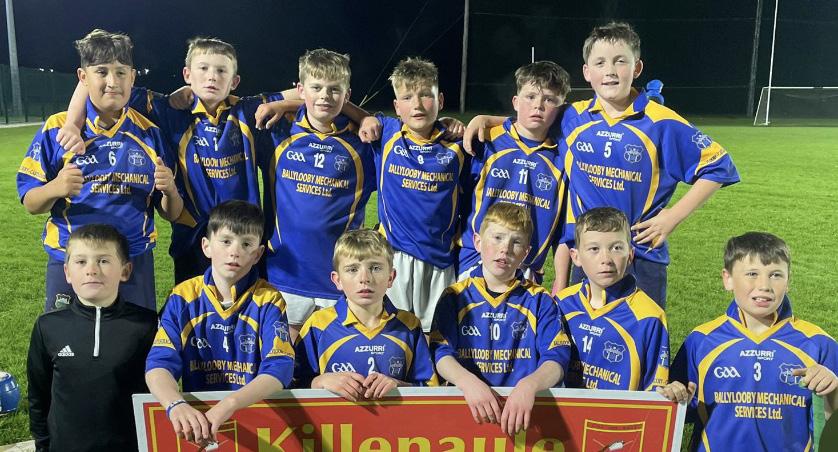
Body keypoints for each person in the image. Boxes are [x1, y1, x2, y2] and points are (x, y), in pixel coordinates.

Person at [58, 37, 290, 283]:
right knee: (192, 301)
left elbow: (308, 92)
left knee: (246, 302)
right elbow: (90, 83)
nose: (212, 77)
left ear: (234, 81)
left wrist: (284, 104)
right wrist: (72, 124)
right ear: (187, 74)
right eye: (203, 68)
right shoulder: (169, 109)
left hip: (243, 235)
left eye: (221, 71)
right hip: (192, 236)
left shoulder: (246, 111)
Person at [556, 22, 740, 307]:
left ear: (637, 68)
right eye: (600, 63)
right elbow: (528, 124)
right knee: (584, 333)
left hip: (642, 255)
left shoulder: (662, 122)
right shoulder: (572, 117)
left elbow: (719, 166)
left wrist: (672, 216)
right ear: (587, 72)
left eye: (620, 61)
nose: (610, 71)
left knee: (644, 333)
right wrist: (487, 120)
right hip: (589, 255)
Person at [17, 29, 182, 311]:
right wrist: (55, 188)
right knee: (65, 338)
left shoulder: (150, 134)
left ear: (132, 77)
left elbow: (171, 212)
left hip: (133, 260)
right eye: (101, 72)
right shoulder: (58, 130)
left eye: (121, 73)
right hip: (71, 259)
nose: (112, 82)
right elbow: (31, 203)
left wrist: (170, 191)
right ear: (83, 77)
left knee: (135, 338)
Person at [659, 232, 838, 451]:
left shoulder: (818, 344)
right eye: (752, 273)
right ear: (728, 279)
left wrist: (833, 391)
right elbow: (677, 411)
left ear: (788, 281)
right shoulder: (702, 340)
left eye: (776, 275)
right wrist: (674, 395)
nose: (764, 285)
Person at [145, 200, 294, 446]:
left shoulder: (268, 299)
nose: (234, 252)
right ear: (206, 246)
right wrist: (175, 403)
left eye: (246, 244)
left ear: (257, 254)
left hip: (254, 416)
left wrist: (230, 403)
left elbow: (280, 367)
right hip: (198, 422)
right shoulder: (183, 297)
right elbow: (159, 363)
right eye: (226, 241)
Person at [258, 49, 376, 341]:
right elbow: (234, 103)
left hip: (340, 277)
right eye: (316, 88)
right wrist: (284, 103)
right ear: (301, 90)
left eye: (335, 89)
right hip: (285, 272)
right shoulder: (276, 130)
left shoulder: (364, 143)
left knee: (336, 358)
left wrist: (364, 117)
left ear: (347, 95)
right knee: (284, 357)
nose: (325, 96)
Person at [430, 203, 571, 436]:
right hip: (467, 413)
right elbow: (440, 352)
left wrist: (530, 385)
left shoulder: (539, 300)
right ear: (477, 242)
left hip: (523, 417)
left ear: (526, 252)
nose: (505, 249)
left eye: (516, 242)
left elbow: (557, 357)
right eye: (497, 238)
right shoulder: (455, 296)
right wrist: (467, 382)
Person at [27, 224, 157, 451]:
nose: (92, 270)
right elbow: (39, 395)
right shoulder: (48, 327)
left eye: (103, 261)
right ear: (67, 272)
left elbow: (157, 393)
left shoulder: (147, 326)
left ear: (125, 271)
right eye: (80, 262)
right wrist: (42, 445)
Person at [457, 61, 571, 286]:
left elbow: (563, 230)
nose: (538, 106)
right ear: (516, 102)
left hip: (527, 269)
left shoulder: (564, 157)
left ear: (560, 109)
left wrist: (560, 281)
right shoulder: (485, 141)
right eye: (530, 97)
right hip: (475, 260)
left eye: (549, 100)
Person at [294, 229, 436, 399]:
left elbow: (430, 389)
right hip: (334, 417)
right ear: (337, 280)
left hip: (394, 417)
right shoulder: (318, 325)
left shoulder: (409, 326)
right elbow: (291, 384)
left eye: (375, 268)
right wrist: (320, 381)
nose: (365, 278)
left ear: (391, 277)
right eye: (352, 269)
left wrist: (399, 385)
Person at [557, 207, 668, 391]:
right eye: (594, 249)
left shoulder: (650, 317)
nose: (606, 259)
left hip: (619, 411)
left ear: (630, 255)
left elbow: (656, 393)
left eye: (617, 248)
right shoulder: (561, 303)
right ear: (576, 257)